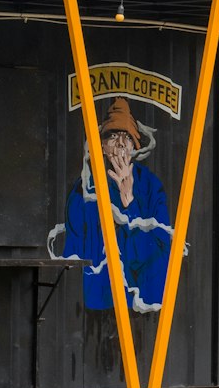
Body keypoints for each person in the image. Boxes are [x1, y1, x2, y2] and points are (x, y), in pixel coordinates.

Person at [59, 97, 173, 312]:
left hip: (141, 303)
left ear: (133, 146)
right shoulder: (83, 188)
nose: (120, 143)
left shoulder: (150, 186)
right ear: (101, 145)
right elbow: (73, 252)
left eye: (127, 137)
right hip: (96, 303)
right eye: (113, 136)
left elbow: (159, 249)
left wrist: (129, 201)